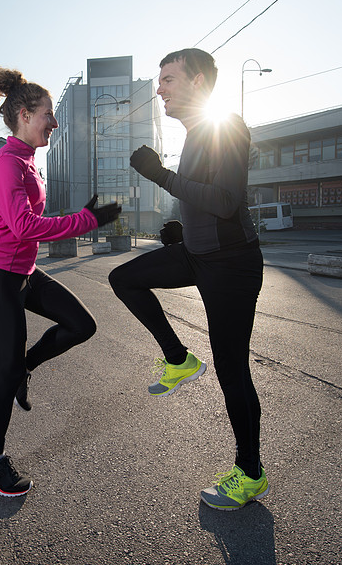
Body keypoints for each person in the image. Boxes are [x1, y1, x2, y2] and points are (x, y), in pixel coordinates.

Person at [108, 48, 267, 510]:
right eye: (160, 80)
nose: (159, 89)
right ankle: (177, 359)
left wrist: (160, 175)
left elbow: (224, 198)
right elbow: (205, 201)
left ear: (197, 82)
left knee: (232, 373)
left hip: (232, 265)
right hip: (198, 254)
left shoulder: (227, 127)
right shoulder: (197, 134)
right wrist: (184, 226)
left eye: (168, 80)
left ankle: (250, 473)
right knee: (124, 279)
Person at [0, 67, 121, 497]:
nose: (54, 123)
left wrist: (81, 214)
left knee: (81, 324)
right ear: (23, 114)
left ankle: (26, 370)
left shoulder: (28, 161)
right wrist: (86, 220)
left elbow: (28, 221)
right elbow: (21, 226)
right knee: (5, 369)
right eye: (48, 115)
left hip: (23, 272)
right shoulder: (4, 164)